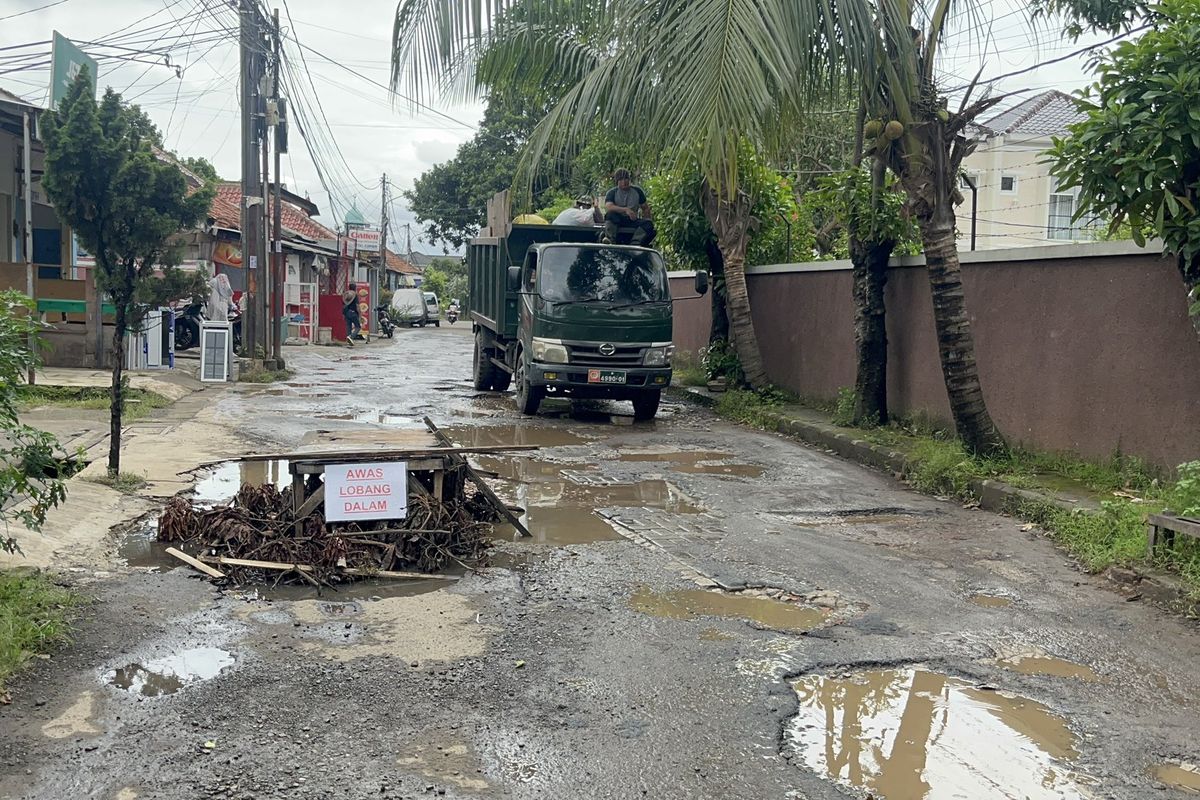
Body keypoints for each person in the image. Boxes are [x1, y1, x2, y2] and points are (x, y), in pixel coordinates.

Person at [603, 169, 656, 246]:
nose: (624, 182)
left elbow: (645, 208)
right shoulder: (612, 192)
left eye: (626, 178)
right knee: (610, 215)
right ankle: (610, 239)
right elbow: (609, 206)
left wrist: (646, 219)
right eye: (621, 180)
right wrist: (625, 210)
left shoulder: (637, 191)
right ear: (617, 182)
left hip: (632, 220)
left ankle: (635, 243)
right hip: (617, 220)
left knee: (648, 224)